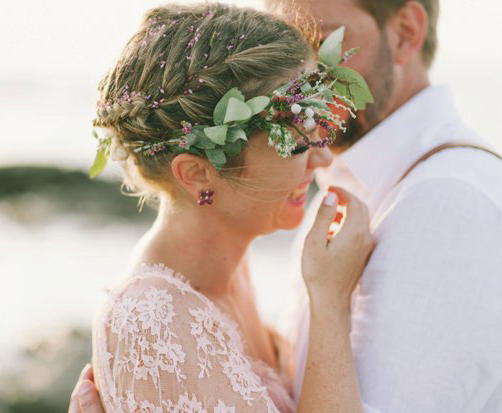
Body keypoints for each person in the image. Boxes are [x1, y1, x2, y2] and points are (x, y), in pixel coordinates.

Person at [72, 0, 502, 412]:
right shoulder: (162, 314)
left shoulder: (451, 203)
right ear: (197, 172)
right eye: (294, 132)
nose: (320, 150)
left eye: (323, 40)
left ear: (406, 32)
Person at [69, 3, 374, 412]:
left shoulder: (232, 274)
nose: (321, 160)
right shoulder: (152, 323)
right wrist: (329, 301)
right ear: (196, 173)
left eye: (316, 127)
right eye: (295, 140)